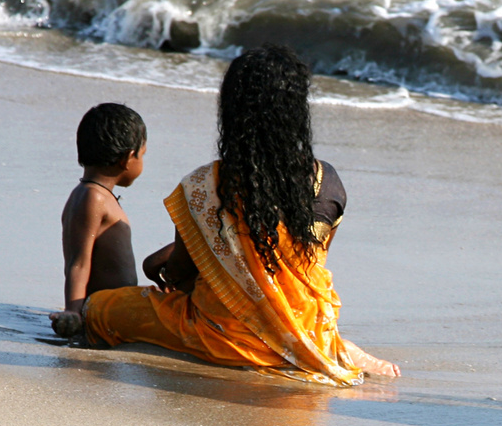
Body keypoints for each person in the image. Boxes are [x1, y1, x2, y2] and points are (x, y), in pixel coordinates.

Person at [81, 44, 397, 386]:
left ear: (231, 112)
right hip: (306, 324)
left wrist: (161, 267)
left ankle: (289, 348)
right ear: (297, 112)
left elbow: (183, 270)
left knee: (99, 309)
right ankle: (328, 347)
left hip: (226, 334)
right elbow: (302, 267)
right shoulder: (328, 181)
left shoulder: (205, 185)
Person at [49, 103, 146, 338]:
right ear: (127, 158)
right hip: (106, 310)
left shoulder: (92, 193)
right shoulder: (94, 197)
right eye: (142, 155)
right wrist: (73, 310)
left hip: (111, 306)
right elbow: (78, 262)